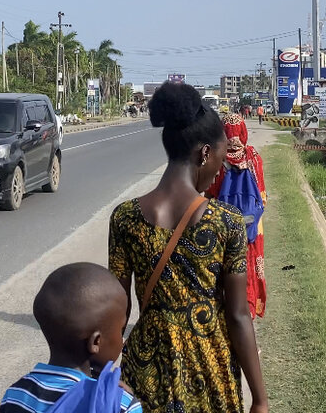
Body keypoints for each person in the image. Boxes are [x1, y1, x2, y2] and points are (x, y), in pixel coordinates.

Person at [108, 82, 268, 413]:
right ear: (204, 153)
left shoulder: (125, 218)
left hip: (144, 371)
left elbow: (117, 312)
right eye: (220, 159)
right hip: (210, 372)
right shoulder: (226, 222)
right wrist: (260, 399)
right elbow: (238, 315)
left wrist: (104, 375)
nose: (219, 170)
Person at [0, 263, 142, 413]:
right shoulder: (120, 404)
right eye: (120, 330)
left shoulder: (16, 394)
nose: (121, 340)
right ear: (95, 342)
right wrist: (116, 397)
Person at [206, 113, 268, 319]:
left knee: (223, 268)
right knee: (249, 265)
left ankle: (225, 312)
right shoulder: (253, 157)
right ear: (243, 132)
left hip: (222, 225)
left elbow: (209, 194)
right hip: (250, 225)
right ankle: (248, 309)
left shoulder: (217, 157)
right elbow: (262, 197)